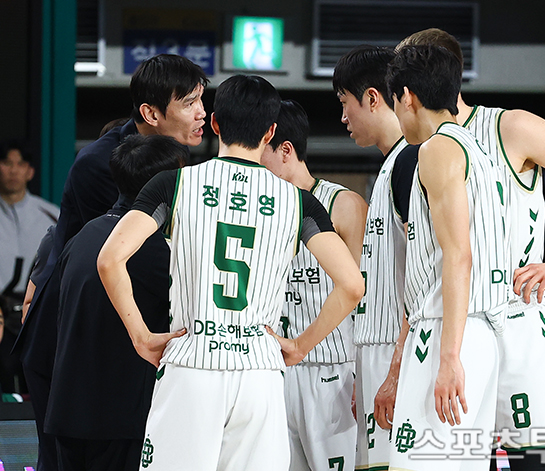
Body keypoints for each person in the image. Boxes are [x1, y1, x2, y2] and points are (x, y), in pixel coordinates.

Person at [97, 75, 365, 471]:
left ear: (215, 123)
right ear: (270, 132)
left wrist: (140, 336)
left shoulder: (174, 184)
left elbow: (109, 260)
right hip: (259, 372)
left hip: (192, 363)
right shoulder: (300, 203)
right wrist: (300, 345)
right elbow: (352, 285)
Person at [390, 28, 545, 471]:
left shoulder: (510, 127)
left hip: (517, 316)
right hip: (459, 320)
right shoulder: (419, 150)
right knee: (456, 458)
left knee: (532, 459)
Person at [14, 54, 209, 471]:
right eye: (190, 103)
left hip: (109, 336)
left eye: (201, 100)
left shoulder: (161, 156)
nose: (201, 113)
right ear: (151, 114)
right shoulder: (107, 163)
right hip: (72, 335)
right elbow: (118, 256)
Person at [386, 44, 509, 471]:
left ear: (407, 97)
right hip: (479, 333)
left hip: (447, 332)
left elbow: (458, 256)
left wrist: (450, 357)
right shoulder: (479, 149)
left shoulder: (437, 149)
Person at [44, 135, 188, 471]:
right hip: (119, 418)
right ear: (164, 186)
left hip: (68, 411)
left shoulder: (84, 235)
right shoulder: (154, 248)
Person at [260, 99, 367, 471]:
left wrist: (368, 373)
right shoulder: (258, 208)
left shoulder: (343, 204)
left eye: (260, 150)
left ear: (285, 150)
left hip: (332, 370)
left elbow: (367, 297)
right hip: (273, 370)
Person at [332, 45, 419, 471]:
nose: (343, 117)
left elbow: (429, 275)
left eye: (344, 103)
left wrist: (396, 368)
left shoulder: (411, 161)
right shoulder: (389, 167)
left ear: (371, 98)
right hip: (374, 355)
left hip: (398, 354)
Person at [0, 141, 58, 301]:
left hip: (38, 305)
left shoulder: (52, 215)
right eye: (7, 163)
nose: (13, 171)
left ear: (30, 172)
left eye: (20, 164)